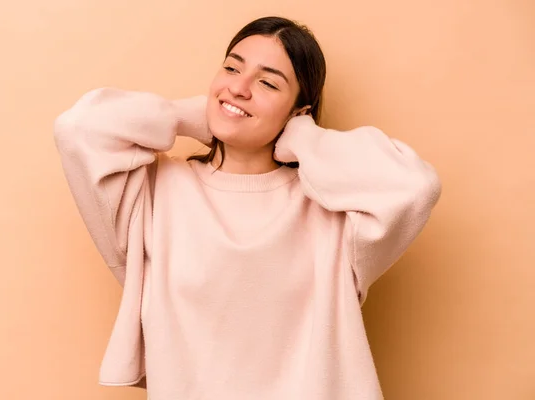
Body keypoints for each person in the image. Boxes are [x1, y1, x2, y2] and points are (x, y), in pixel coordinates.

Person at [54, 16, 441, 400]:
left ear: (297, 111)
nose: (238, 88)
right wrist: (191, 117)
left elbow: (415, 187)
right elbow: (78, 128)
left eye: (268, 82)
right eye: (232, 68)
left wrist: (303, 139)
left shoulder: (333, 214)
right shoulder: (155, 194)